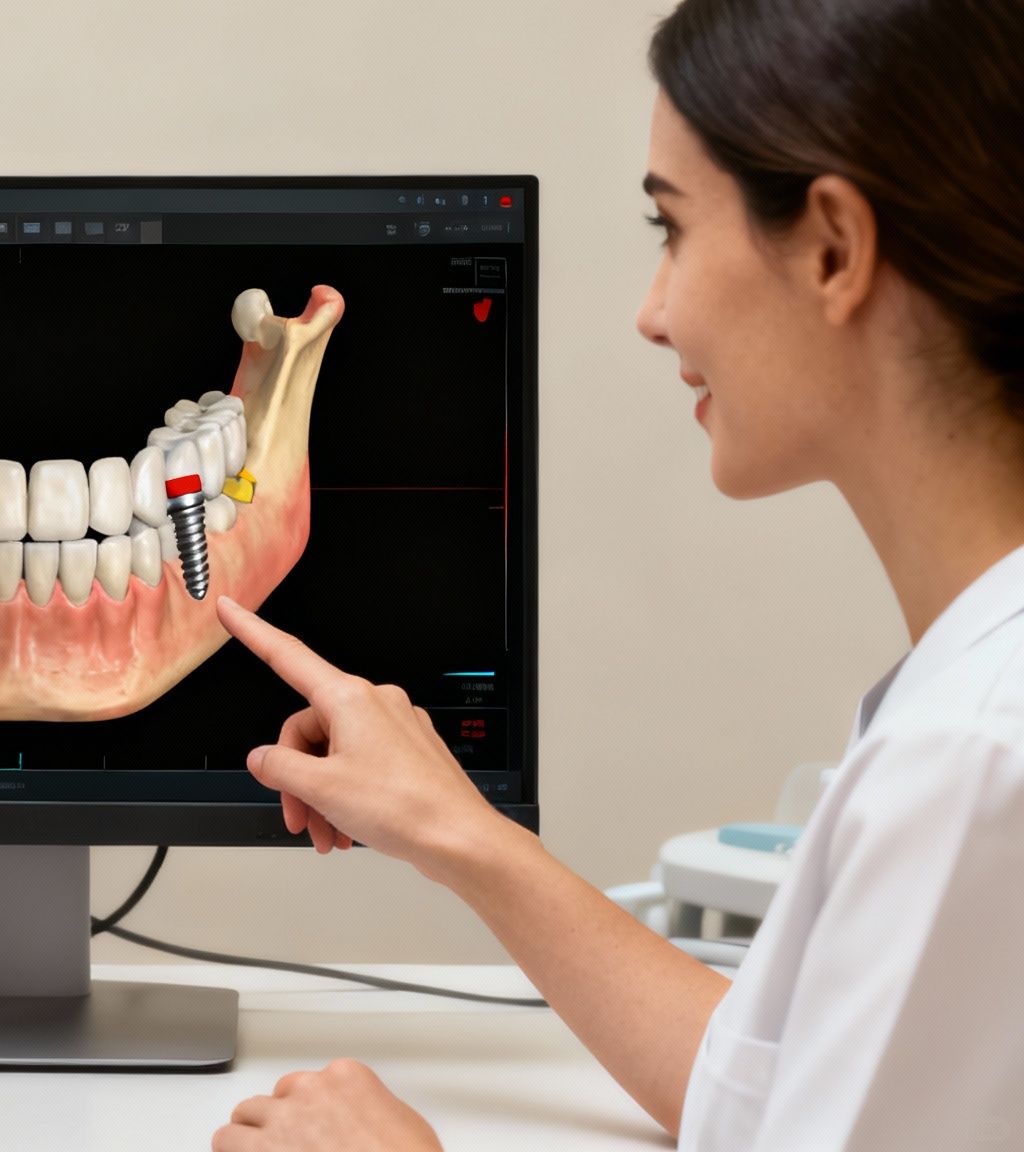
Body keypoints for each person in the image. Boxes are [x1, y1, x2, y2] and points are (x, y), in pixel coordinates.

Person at [210, 0, 1024, 1149]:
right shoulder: (973, 698)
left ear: (834, 249)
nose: (652, 314)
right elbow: (780, 1100)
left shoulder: (971, 762)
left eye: (672, 229)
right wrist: (462, 833)